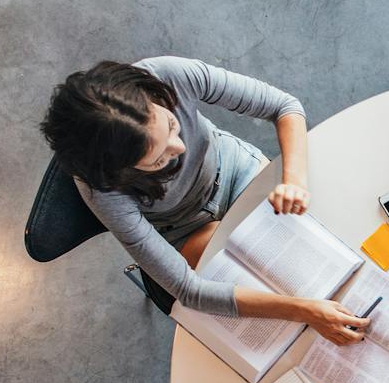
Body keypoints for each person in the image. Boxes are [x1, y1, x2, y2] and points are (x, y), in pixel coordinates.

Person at [40, 56, 368, 342]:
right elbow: (189, 290)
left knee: (319, 239)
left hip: (235, 170)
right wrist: (304, 312)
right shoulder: (103, 191)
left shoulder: (168, 74)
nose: (180, 148)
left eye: (172, 124)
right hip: (182, 228)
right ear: (120, 173)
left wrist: (294, 181)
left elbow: (284, 106)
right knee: (277, 290)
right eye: (158, 159)